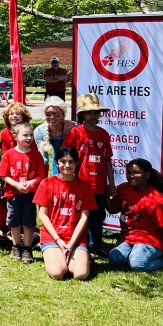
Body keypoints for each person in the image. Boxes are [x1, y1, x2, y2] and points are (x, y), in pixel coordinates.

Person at [64, 93, 114, 259]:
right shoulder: (76, 132)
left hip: (99, 185)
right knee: (79, 215)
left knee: (98, 216)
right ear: (82, 114)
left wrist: (111, 183)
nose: (93, 115)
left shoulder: (104, 134)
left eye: (95, 112)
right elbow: (67, 157)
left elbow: (107, 160)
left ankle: (96, 246)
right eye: (89, 112)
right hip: (80, 184)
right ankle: (79, 244)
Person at [33, 146, 94, 280]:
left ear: (77, 163)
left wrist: (71, 243)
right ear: (56, 163)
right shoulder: (46, 183)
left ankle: (77, 256)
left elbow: (84, 217)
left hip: (76, 238)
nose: (67, 165)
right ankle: (54, 255)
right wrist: (58, 240)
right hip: (53, 237)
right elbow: (42, 215)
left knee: (80, 274)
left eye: (71, 161)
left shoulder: (84, 186)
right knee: (57, 273)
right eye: (63, 161)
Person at [0, 122, 46, 263]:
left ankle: (27, 248)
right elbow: (3, 174)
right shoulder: (8, 155)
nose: (29, 138)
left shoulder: (36, 155)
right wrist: (16, 185)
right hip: (13, 195)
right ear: (15, 137)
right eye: (25, 135)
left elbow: (41, 175)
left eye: (31, 135)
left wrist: (31, 183)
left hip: (30, 195)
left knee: (29, 222)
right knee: (14, 221)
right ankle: (16, 246)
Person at [106, 159, 163, 272]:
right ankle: (136, 255)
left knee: (137, 265)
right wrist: (107, 197)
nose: (132, 176)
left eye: (136, 172)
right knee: (114, 258)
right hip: (127, 238)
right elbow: (113, 210)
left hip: (150, 240)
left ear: (147, 175)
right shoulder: (123, 188)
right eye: (129, 172)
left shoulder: (156, 199)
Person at [34, 97, 76, 176]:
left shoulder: (74, 128)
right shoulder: (39, 131)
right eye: (48, 114)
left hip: (71, 164)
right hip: (56, 163)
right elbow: (43, 160)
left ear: (63, 115)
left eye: (56, 114)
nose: (52, 117)